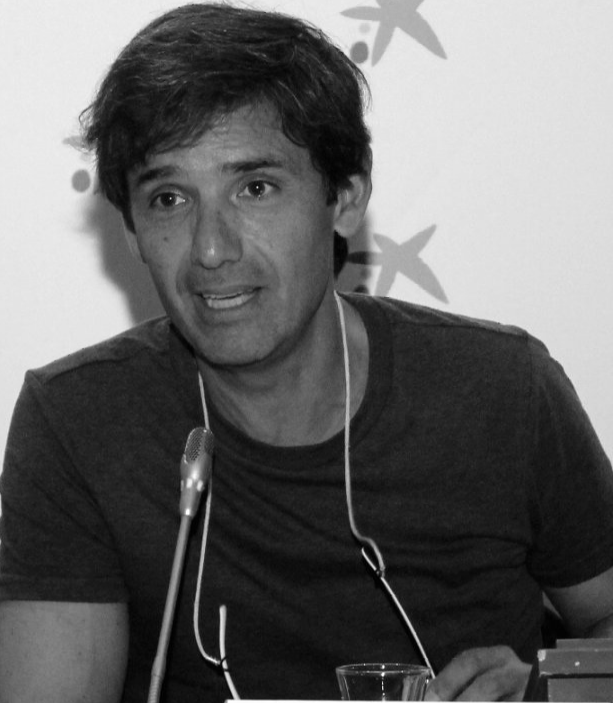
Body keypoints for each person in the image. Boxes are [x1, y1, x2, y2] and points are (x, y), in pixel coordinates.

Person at [1, 3, 613, 702]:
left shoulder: (500, 389)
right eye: (169, 199)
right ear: (132, 229)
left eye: (254, 188)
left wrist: (546, 689)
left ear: (345, 197)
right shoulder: (80, 420)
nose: (211, 249)